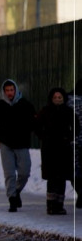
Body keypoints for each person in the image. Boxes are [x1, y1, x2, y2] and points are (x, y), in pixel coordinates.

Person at [0, 79, 37, 212]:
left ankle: (16, 191)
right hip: (5, 144)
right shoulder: (0, 106)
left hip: (22, 143)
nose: (9, 93)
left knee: (25, 172)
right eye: (7, 91)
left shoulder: (25, 105)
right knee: (9, 173)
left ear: (16, 90)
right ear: (4, 92)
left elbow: (35, 122)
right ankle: (12, 199)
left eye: (11, 90)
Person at [37, 87, 79, 215]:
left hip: (64, 148)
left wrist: (70, 137)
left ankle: (59, 205)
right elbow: (37, 126)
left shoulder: (68, 111)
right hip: (49, 149)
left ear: (64, 98)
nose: (57, 100)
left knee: (61, 177)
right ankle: (50, 205)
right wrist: (44, 137)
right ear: (51, 98)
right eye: (55, 98)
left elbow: (77, 127)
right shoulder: (45, 111)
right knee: (52, 177)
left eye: (59, 97)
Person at [66, 79, 82, 209]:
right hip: (76, 140)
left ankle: (80, 192)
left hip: (71, 140)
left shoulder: (67, 100)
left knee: (74, 169)